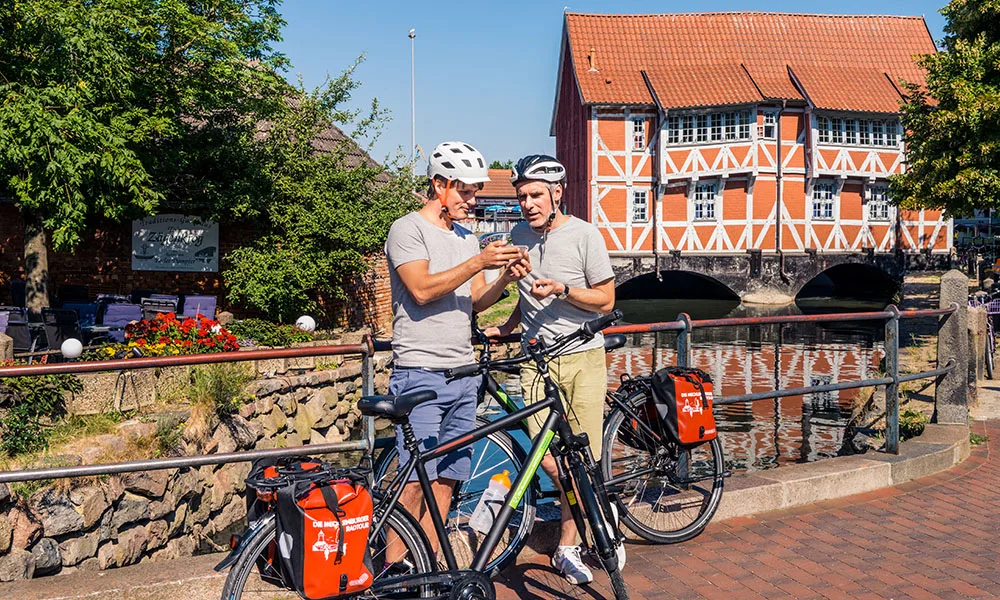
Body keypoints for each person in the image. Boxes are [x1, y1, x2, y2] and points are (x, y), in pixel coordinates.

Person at [384, 141, 530, 556]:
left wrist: (504, 277)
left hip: (465, 373)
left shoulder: (468, 239)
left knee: (448, 478)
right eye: (464, 191)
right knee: (415, 482)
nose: (473, 199)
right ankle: (395, 568)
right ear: (438, 185)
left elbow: (478, 300)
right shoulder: (407, 229)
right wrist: (477, 263)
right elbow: (422, 289)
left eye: (475, 191)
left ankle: (429, 568)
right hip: (420, 373)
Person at [485, 154, 617, 585]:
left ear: (557, 193)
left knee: (582, 456)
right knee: (550, 459)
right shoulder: (519, 234)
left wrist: (562, 289)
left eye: (536, 195)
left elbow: (606, 300)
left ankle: (567, 546)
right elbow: (525, 296)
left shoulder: (585, 235)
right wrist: (506, 326)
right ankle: (594, 506)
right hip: (536, 359)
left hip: (582, 356)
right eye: (522, 196)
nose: (527, 203)